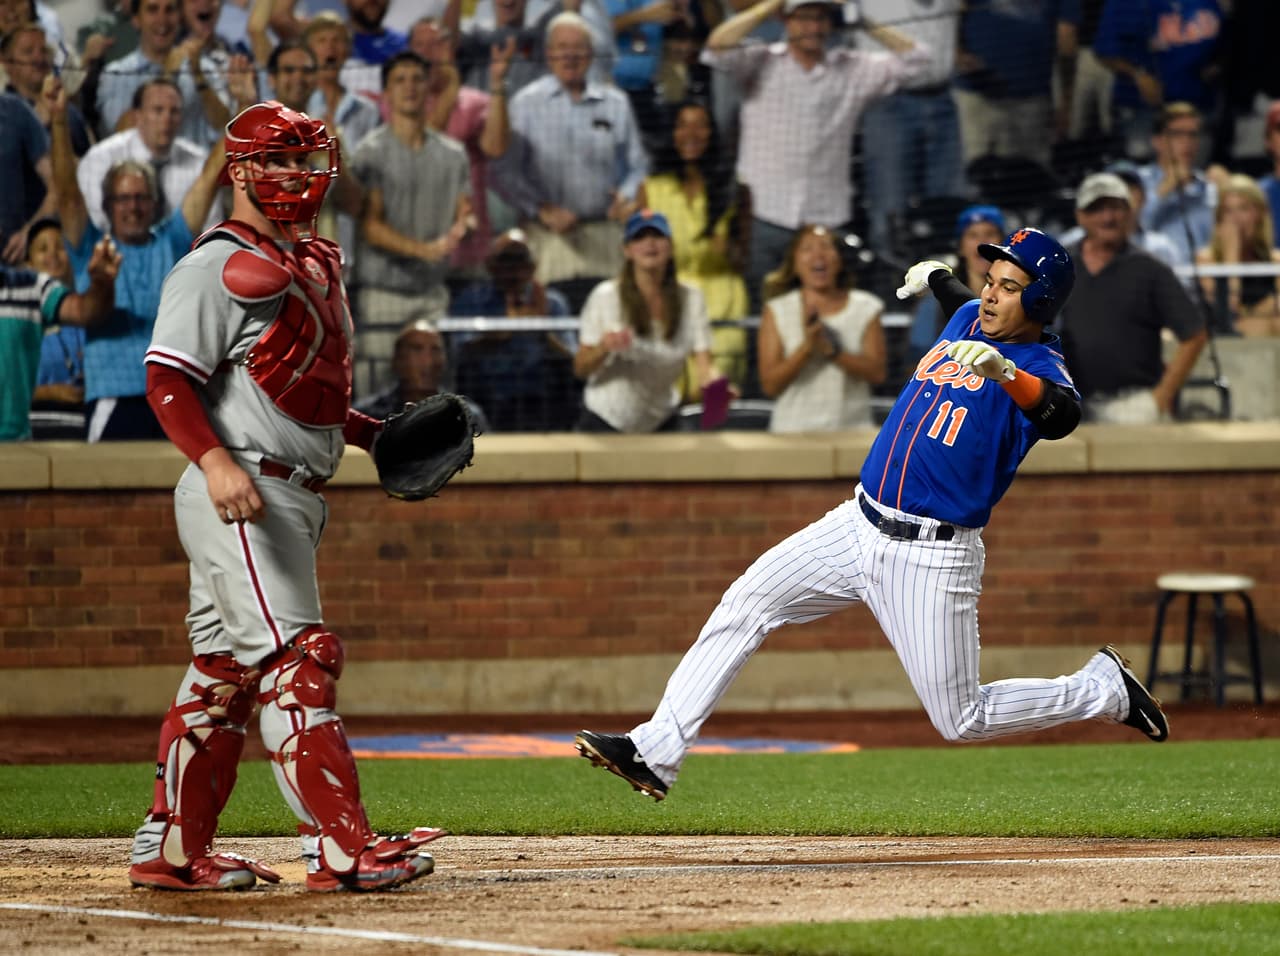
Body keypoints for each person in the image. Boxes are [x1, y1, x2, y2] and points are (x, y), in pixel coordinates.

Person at [574, 227, 1170, 802]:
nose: (990, 292)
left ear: (1040, 300)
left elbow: (1061, 416)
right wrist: (939, 275)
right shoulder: (969, 317)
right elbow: (963, 299)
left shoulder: (1040, 368)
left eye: (1009, 287)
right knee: (747, 601)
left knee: (962, 719)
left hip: (932, 554)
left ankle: (1101, 689)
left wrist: (1006, 373)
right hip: (855, 523)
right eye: (990, 278)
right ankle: (654, 750)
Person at [130, 100, 446, 892]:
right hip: (243, 492)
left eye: (309, 160)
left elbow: (298, 390)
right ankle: (340, 849)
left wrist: (372, 433)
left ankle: (170, 851)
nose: (303, 176)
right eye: (284, 160)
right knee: (300, 660)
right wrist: (214, 464)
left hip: (287, 491)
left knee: (223, 676)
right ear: (240, 172)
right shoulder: (214, 263)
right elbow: (167, 376)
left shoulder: (310, 261)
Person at [700, 0, 929, 310]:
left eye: (821, 18)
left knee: (829, 313)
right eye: (803, 18)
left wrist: (858, 17)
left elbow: (918, 60)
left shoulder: (851, 69)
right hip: (764, 215)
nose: (813, 27)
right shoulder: (760, 60)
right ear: (786, 21)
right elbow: (717, 46)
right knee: (762, 314)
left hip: (827, 218)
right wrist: (773, 4)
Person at [48, 73, 225, 441]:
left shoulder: (172, 241)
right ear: (108, 205)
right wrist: (60, 121)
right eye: (124, 199)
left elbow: (210, 177)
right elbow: (66, 193)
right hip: (113, 397)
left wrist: (244, 107)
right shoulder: (90, 248)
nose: (133, 207)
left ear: (155, 203)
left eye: (142, 198)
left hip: (174, 397)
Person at [496, 10, 648, 307]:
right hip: (549, 241)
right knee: (553, 331)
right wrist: (539, 209)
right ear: (549, 54)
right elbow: (505, 172)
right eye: (562, 48)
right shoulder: (525, 103)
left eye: (578, 48)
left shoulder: (616, 102)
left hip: (606, 237)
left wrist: (627, 196)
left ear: (591, 54)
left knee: (608, 325)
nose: (570, 56)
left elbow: (638, 163)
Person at [349, 50, 472, 397]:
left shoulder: (453, 154)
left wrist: (465, 225)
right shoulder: (369, 152)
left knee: (440, 393)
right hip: (383, 294)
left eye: (417, 79)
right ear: (385, 92)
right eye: (399, 80)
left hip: (432, 294)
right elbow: (370, 226)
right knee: (373, 393)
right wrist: (426, 250)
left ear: (429, 87)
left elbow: (465, 209)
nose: (410, 87)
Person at [1057, 172, 1206, 424]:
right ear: (1080, 216)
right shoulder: (1059, 267)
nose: (1108, 217)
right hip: (1068, 403)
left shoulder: (1151, 270)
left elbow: (1194, 335)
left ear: (1130, 213)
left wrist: (1161, 397)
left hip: (1133, 404)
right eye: (1097, 209)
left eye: (1115, 208)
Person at [635, 98, 749, 398]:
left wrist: (728, 251)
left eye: (701, 125)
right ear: (671, 133)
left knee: (715, 393)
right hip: (668, 297)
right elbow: (638, 251)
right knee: (670, 389)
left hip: (722, 301)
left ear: (713, 134)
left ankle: (716, 438)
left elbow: (743, 257)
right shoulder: (651, 188)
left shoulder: (734, 188)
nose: (692, 133)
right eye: (683, 125)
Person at [573, 208, 721, 432]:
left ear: (670, 247)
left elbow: (705, 366)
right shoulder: (605, 296)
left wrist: (718, 391)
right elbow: (581, 368)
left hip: (660, 419)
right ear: (627, 250)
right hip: (606, 419)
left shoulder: (692, 298)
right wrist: (604, 348)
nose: (649, 243)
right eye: (639, 237)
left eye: (657, 236)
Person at [405, 16, 513, 277]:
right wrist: (452, 87)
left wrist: (498, 84)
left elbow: (496, 148)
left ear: (451, 50)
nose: (427, 53)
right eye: (420, 45)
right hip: (418, 247)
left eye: (435, 44)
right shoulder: (400, 103)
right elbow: (423, 144)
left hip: (471, 250)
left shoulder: (476, 102)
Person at [857, 0, 964, 257]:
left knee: (947, 206)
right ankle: (894, 289)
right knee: (891, 208)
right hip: (888, 102)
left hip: (943, 98)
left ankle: (944, 288)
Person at [757, 224, 887, 431]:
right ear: (794, 263)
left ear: (840, 259)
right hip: (792, 433)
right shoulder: (776, 310)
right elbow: (770, 385)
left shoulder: (866, 307)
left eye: (826, 246)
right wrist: (807, 348)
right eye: (807, 248)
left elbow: (877, 373)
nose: (818, 254)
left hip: (852, 430)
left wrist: (833, 351)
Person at [450, 228, 579, 431]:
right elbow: (458, 352)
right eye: (505, 260)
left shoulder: (552, 302)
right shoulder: (472, 299)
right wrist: (501, 332)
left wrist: (542, 332)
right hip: (489, 396)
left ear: (532, 266)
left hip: (542, 397)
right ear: (491, 265)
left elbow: (573, 357)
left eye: (520, 260)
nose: (513, 269)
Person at [0, 223, 119, 442]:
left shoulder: (30, 287)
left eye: (61, 247)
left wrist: (102, 282)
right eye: (43, 249)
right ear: (28, 261)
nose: (53, 255)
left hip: (24, 447)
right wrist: (49, 392)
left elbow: (85, 311)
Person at [953, 0, 1080, 171]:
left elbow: (1067, 40)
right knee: (978, 171)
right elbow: (952, 12)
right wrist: (958, 53)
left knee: (1027, 174)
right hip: (977, 94)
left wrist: (1065, 102)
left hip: (1030, 96)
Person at [77, 77, 211, 231]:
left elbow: (211, 227)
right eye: (158, 110)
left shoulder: (199, 162)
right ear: (137, 115)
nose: (167, 119)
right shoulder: (100, 159)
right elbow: (95, 225)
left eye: (174, 111)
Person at [906, 204, 1005, 366]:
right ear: (960, 247)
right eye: (973, 235)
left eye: (990, 234)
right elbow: (918, 358)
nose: (982, 241)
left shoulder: (1019, 297)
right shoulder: (937, 300)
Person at [355, 319, 490, 430]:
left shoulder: (467, 416)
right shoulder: (366, 415)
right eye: (417, 349)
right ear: (397, 361)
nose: (428, 360)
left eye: (435, 350)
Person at [1135, 102, 1224, 267]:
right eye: (1177, 134)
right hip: (1150, 278)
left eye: (1193, 135)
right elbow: (1129, 229)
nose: (1187, 142)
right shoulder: (1137, 181)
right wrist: (1164, 189)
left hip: (1201, 280)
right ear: (1158, 141)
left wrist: (1227, 192)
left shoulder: (1209, 188)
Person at [1196, 174, 1280, 337]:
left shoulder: (1275, 262)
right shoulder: (1206, 260)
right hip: (1224, 344)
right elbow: (1227, 317)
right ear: (1219, 219)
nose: (1235, 219)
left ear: (1260, 214)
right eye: (1228, 211)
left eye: (1243, 209)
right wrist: (1231, 255)